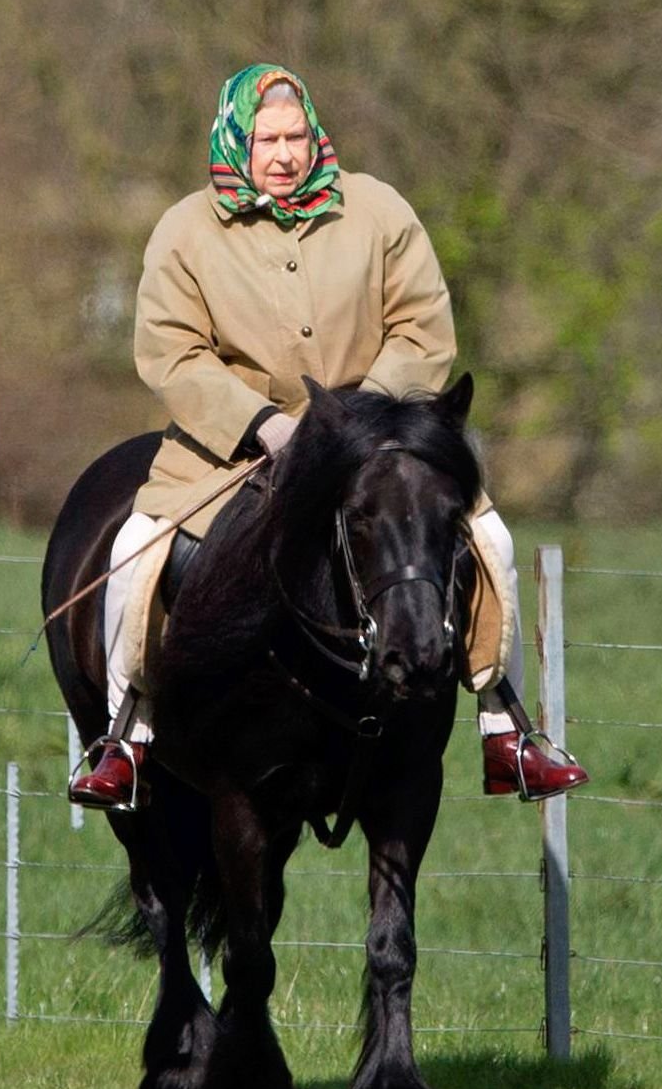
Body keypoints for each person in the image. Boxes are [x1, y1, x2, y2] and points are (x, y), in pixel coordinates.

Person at [69, 63, 589, 809]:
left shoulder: (378, 211)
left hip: (372, 444)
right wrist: (264, 422)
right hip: (232, 450)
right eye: (266, 140)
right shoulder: (183, 230)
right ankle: (128, 733)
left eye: (295, 137)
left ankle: (505, 727)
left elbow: (422, 327)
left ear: (315, 135)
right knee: (135, 553)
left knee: (490, 539)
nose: (283, 155)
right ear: (234, 141)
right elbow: (171, 352)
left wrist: (356, 421)